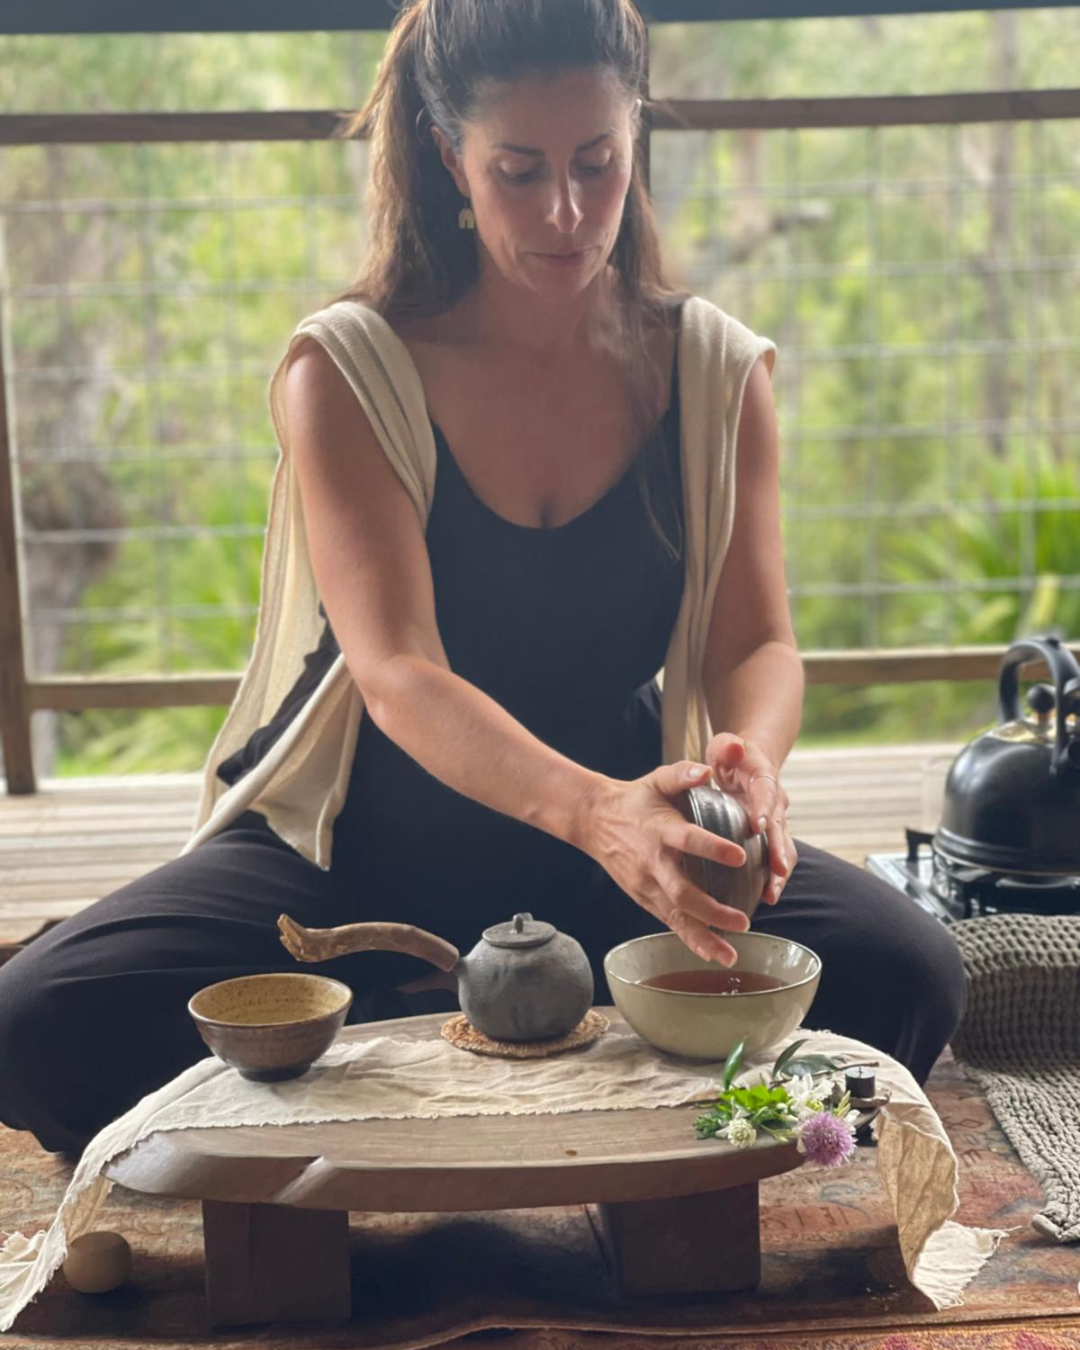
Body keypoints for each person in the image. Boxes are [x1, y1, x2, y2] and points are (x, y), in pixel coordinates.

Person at [0, 0, 965, 1157]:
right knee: (35, 1027)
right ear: (453, 157)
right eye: (519, 170)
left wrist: (745, 766)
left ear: (634, 141)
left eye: (596, 163)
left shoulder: (711, 367)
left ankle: (440, 1063)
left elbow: (757, 641)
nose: (565, 210)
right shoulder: (352, 366)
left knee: (904, 973)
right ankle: (501, 1041)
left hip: (626, 849)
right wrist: (596, 815)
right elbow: (397, 670)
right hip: (367, 850)